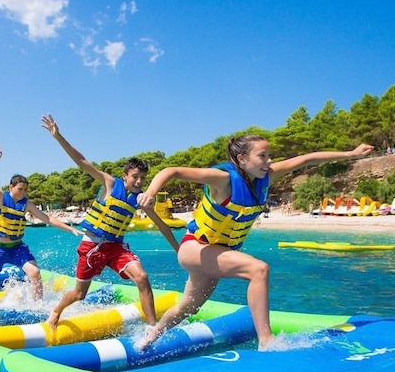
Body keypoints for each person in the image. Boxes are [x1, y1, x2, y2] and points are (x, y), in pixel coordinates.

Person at [135, 135, 374, 350]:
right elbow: (172, 171)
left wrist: (350, 154)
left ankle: (151, 335)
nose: (268, 161)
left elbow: (305, 159)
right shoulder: (223, 179)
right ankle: (266, 341)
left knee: (188, 307)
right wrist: (152, 192)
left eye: (269, 156)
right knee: (258, 269)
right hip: (195, 247)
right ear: (242, 158)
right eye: (262, 156)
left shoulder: (265, 177)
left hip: (218, 253)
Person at [40, 114, 180, 334]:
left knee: (142, 278)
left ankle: (152, 329)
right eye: (135, 177)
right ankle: (57, 310)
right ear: (125, 176)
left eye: (143, 178)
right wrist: (58, 137)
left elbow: (162, 225)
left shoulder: (140, 198)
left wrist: (179, 249)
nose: (140, 182)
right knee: (79, 294)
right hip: (91, 246)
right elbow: (81, 161)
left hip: (115, 247)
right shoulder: (110, 183)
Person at [0, 144, 82, 301]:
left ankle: (37, 307)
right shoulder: (0, 197)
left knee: (35, 273)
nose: (23, 192)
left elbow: (48, 218)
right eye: (20, 189)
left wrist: (70, 228)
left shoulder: (26, 204)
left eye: (25, 190)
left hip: (17, 247)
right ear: (11, 187)